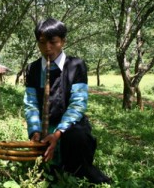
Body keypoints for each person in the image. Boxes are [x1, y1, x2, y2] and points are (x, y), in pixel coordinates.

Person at [24, 18, 111, 184]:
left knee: (77, 140)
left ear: (63, 41)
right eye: (42, 42)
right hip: (45, 127)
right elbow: (31, 103)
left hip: (70, 126)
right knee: (46, 167)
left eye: (53, 42)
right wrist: (35, 130)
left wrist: (57, 133)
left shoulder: (76, 65)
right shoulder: (33, 68)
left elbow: (78, 104)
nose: (47, 48)